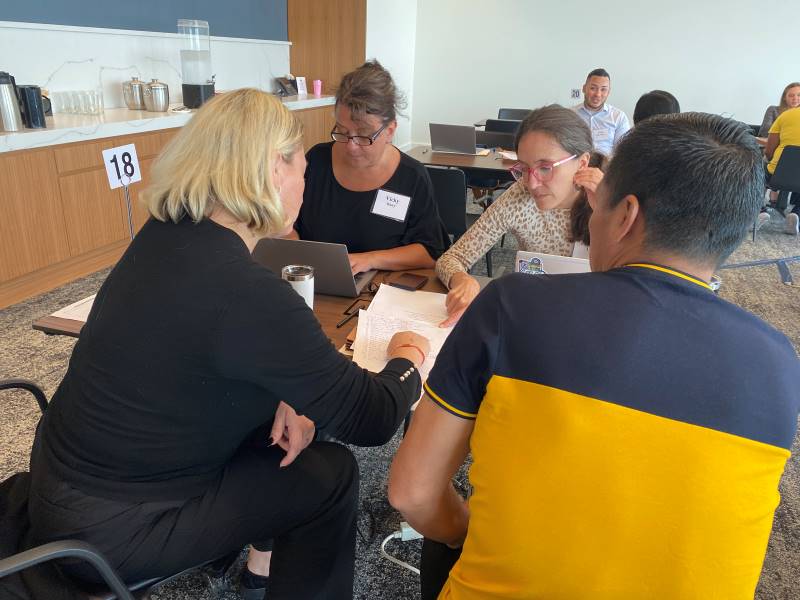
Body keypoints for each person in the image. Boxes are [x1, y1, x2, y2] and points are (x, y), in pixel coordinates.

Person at [25, 89, 431, 600]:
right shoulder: (245, 290)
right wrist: (406, 358)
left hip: (58, 486)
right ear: (273, 170)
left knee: (284, 431)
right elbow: (372, 419)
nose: (305, 180)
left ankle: (258, 572)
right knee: (331, 472)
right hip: (115, 533)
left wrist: (291, 391)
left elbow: (203, 356)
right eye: (302, 166)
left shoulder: (161, 236)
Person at [389, 113, 800, 599]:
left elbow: (412, 492)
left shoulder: (513, 306)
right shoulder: (780, 364)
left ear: (624, 214)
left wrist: (463, 533)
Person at [435, 105, 604, 327]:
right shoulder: (520, 196)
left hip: (590, 321)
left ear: (582, 163)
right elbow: (451, 259)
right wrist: (463, 280)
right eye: (524, 169)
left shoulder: (607, 200)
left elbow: (633, 285)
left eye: (545, 168)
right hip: (536, 317)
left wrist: (606, 212)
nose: (531, 183)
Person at [294, 60, 450, 274]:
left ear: (390, 130)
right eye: (342, 131)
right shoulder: (316, 162)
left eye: (364, 135)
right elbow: (289, 227)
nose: (351, 146)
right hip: (317, 283)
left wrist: (371, 259)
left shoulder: (411, 177)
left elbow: (430, 251)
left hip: (381, 292)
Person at [571, 68, 631, 155]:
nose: (598, 94)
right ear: (584, 88)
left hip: (606, 166)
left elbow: (623, 152)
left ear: (608, 92)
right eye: (593, 88)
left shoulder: (618, 117)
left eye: (603, 89)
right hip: (577, 165)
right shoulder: (570, 115)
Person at [765, 103, 800, 234]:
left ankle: (759, 211)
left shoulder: (786, 115)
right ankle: (796, 214)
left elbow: (769, 151)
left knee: (758, 172)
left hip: (777, 174)